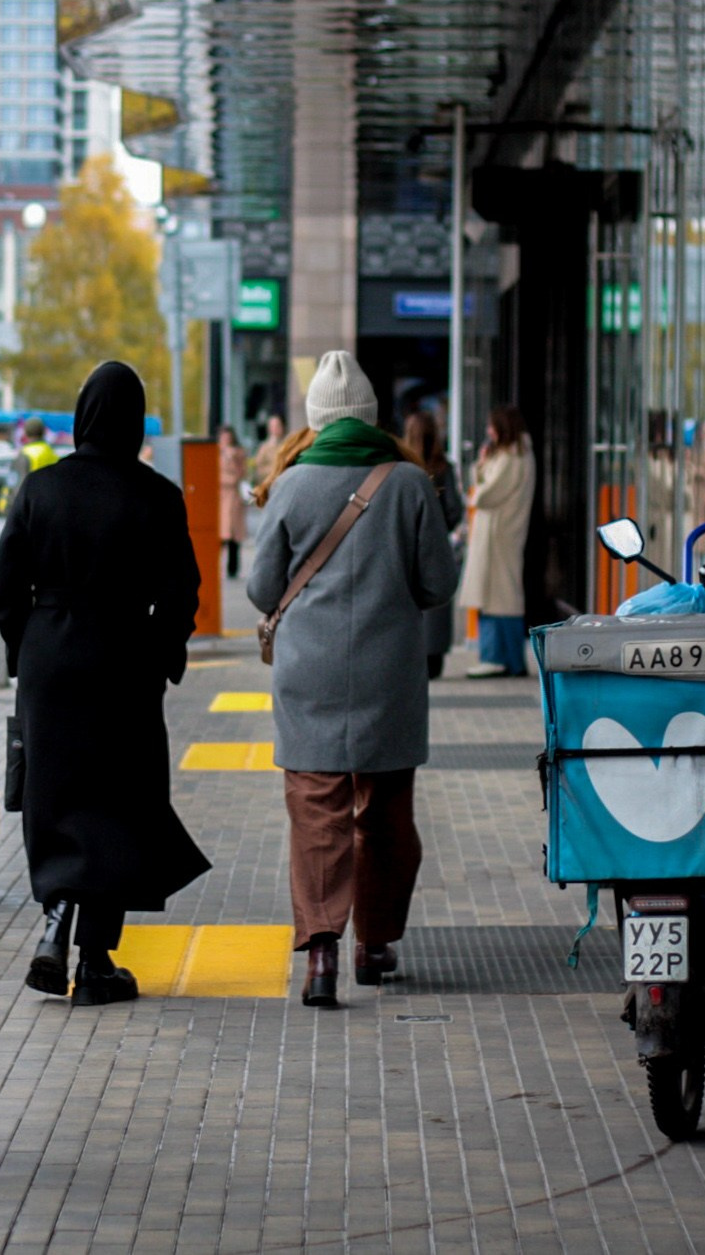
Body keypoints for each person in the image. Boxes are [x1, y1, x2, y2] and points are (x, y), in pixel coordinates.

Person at [0, 362, 210, 1006]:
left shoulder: (39, 489)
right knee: (120, 801)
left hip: (51, 661)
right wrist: (162, 654)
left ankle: (56, 920)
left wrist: (25, 652)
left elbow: (6, 590)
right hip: (125, 660)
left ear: (81, 416)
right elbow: (181, 595)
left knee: (54, 794)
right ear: (136, 419)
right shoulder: (159, 495)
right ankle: (95, 961)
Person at [250, 353, 457, 1007]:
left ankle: (320, 954)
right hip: (388, 676)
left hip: (308, 676)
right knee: (385, 814)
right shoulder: (408, 483)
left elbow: (260, 588)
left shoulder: (288, 484)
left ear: (314, 421)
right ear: (371, 417)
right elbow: (437, 584)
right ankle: (374, 943)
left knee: (317, 815)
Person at [460, 405, 535, 678]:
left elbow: (483, 496)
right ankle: (507, 659)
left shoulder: (511, 458)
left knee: (496, 596)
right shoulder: (517, 454)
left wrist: (480, 468)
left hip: (498, 535)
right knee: (499, 595)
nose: (488, 432)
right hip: (501, 534)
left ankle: (496, 657)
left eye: (493, 426)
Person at [402, 409, 465, 679]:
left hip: (406, 546)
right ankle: (435, 655)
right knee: (437, 600)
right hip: (437, 543)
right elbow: (454, 509)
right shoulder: (444, 468)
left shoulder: (401, 468)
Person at [218, 425, 249, 578]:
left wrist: (232, 458)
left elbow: (242, 473)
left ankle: (233, 568)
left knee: (234, 536)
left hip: (234, 498)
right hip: (221, 498)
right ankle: (216, 567)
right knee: (221, 534)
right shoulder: (216, 452)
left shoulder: (238, 453)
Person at [11, 416, 58, 486]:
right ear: (44, 432)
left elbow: (17, 484)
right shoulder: (52, 453)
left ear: (25, 433)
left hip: (32, 495)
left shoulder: (25, 453)